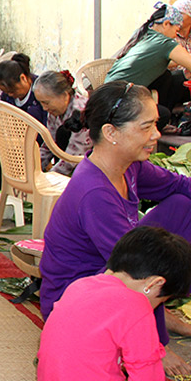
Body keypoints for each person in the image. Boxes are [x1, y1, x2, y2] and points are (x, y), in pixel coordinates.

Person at [40, 81, 191, 376]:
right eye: (146, 127)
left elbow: (179, 185)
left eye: (155, 126)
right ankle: (155, 323)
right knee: (147, 269)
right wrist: (156, 346)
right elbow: (135, 273)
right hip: (76, 295)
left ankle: (159, 303)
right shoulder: (94, 192)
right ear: (111, 133)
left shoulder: (129, 165)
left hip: (117, 274)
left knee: (183, 205)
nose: (156, 136)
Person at [38, 226, 191, 380]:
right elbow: (148, 374)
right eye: (161, 300)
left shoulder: (80, 285)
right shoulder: (136, 307)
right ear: (154, 284)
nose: (155, 307)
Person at [107, 2, 191, 119]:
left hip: (106, 94)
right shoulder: (165, 43)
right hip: (116, 102)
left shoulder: (143, 33)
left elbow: (159, 62)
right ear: (166, 24)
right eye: (176, 31)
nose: (175, 36)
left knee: (166, 76)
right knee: (161, 115)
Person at [33, 70, 91, 176]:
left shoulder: (81, 112)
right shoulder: (54, 111)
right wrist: (32, 169)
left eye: (46, 102)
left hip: (86, 168)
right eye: (40, 103)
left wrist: (49, 178)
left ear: (64, 95)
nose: (44, 108)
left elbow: (73, 158)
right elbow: (50, 144)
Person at [0, 58, 47, 126]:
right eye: (6, 92)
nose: (10, 95)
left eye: (13, 91)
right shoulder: (6, 96)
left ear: (23, 78)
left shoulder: (41, 92)